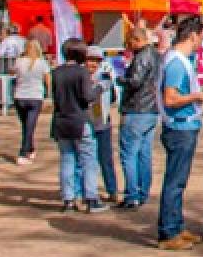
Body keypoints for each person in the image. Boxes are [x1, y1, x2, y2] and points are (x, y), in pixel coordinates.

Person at [156, 16, 203, 250]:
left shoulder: (178, 60)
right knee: (175, 182)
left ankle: (175, 225)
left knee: (178, 181)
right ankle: (169, 232)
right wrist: (196, 96)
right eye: (201, 37)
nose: (201, 42)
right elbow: (171, 97)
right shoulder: (177, 63)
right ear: (193, 35)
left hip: (183, 126)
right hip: (179, 127)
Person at [50, 38, 102, 212]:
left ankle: (68, 200)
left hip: (61, 120)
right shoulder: (82, 73)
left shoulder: (56, 72)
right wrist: (100, 88)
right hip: (79, 120)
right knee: (88, 159)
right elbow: (88, 97)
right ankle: (91, 198)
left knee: (67, 160)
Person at [117, 25, 159, 209]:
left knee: (129, 154)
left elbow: (135, 81)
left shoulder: (142, 57)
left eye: (129, 42)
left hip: (136, 109)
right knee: (144, 153)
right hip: (150, 109)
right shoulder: (156, 56)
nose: (128, 46)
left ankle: (132, 194)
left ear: (136, 40)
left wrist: (119, 79)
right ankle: (142, 192)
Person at [85, 47, 119, 202]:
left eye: (96, 60)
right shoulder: (81, 75)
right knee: (86, 159)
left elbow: (112, 95)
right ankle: (86, 192)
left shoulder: (105, 75)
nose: (92, 64)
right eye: (90, 60)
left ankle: (112, 190)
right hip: (85, 122)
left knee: (105, 158)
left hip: (102, 121)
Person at [10, 39, 50, 163]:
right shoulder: (42, 63)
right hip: (35, 97)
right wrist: (49, 94)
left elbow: (12, 71)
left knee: (26, 126)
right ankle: (23, 153)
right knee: (30, 126)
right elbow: (48, 80)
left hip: (20, 96)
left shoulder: (19, 61)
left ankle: (31, 148)